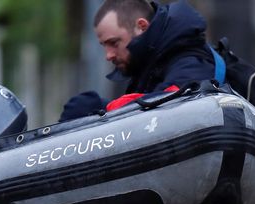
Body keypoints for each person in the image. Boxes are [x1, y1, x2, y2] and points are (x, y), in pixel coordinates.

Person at [59, 0, 219, 121]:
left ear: (142, 27)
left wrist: (99, 108)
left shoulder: (188, 58)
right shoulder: (148, 66)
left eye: (114, 43)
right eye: (104, 46)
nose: (108, 55)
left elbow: (174, 102)